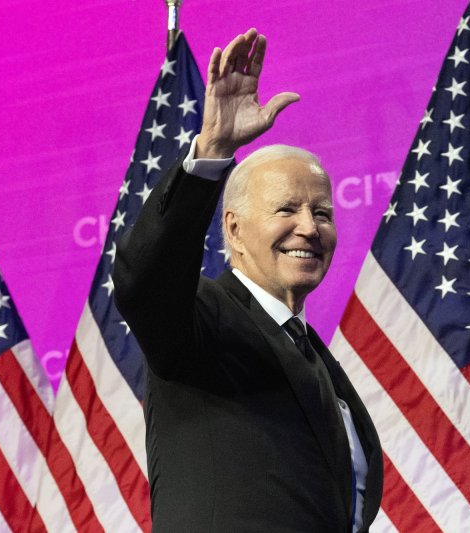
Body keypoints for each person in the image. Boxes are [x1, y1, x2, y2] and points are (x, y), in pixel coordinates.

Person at [113, 28, 383, 532]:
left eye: (322, 212)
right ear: (234, 229)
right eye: (287, 209)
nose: (309, 227)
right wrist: (212, 150)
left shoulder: (316, 357)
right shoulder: (201, 322)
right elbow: (144, 279)